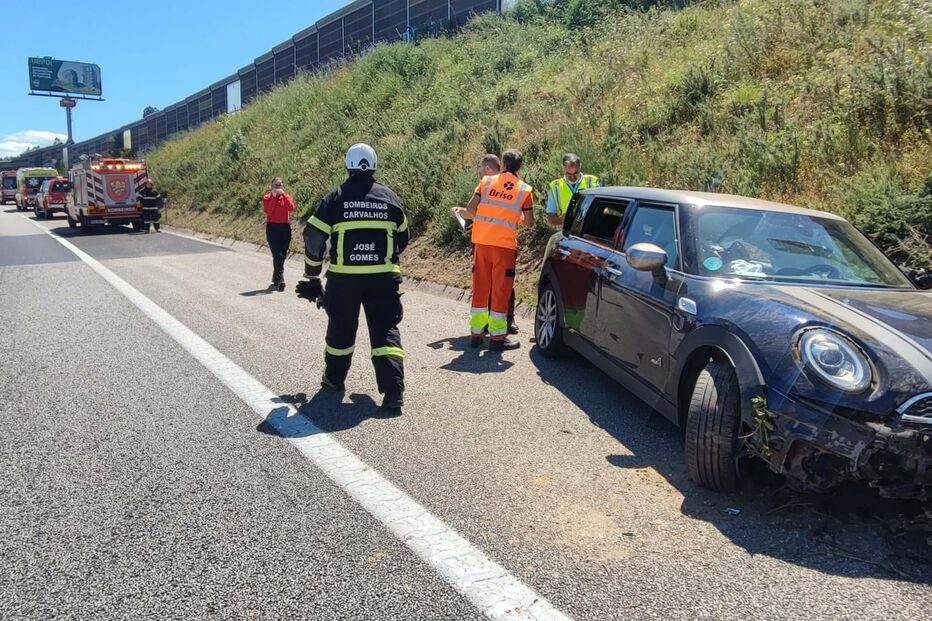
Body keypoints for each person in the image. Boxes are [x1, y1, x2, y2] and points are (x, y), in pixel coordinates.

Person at [295, 144, 408, 413]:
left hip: (344, 279)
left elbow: (313, 237)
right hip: (384, 278)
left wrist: (312, 276)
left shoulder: (336, 198)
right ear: (374, 165)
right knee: (385, 333)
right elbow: (403, 238)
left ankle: (334, 380)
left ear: (348, 166)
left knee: (341, 330)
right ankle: (393, 393)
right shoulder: (391, 198)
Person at [453, 149, 533, 351]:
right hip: (504, 247)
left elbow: (471, 211)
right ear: (519, 167)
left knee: (480, 287)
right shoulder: (524, 190)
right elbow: (529, 222)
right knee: (500, 290)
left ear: (503, 164)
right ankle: (497, 339)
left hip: (482, 243)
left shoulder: (486, 183)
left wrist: (460, 211)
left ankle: (476, 334)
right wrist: (516, 217)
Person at [456, 153, 518, 335]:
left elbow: (475, 211)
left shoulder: (487, 185)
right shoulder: (505, 185)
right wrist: (461, 211)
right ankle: (497, 323)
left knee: (494, 283)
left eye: (481, 168)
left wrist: (464, 212)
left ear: (488, 169)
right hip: (496, 241)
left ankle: (499, 323)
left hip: (490, 242)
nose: (479, 172)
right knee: (497, 283)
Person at [546, 153, 600, 227]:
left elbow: (602, 209)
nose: (572, 177)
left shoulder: (592, 182)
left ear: (580, 167)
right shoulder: (555, 187)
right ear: (563, 168)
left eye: (575, 173)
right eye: (568, 174)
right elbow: (551, 218)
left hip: (589, 230)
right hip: (566, 232)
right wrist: (562, 219)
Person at [262, 177, 296, 290]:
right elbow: (268, 211)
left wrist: (284, 195)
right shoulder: (267, 197)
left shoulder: (286, 197)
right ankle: (280, 279)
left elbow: (291, 207)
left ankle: (276, 276)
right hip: (272, 228)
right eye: (276, 185)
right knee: (278, 254)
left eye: (279, 185)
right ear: (271, 186)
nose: (278, 188)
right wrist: (273, 197)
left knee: (283, 254)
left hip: (285, 227)